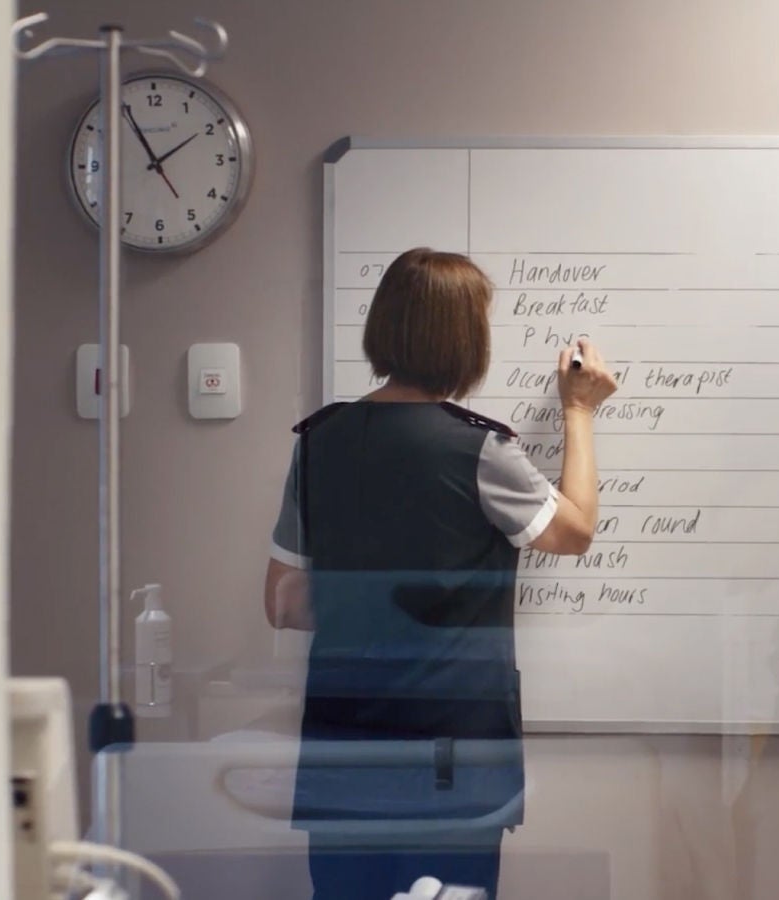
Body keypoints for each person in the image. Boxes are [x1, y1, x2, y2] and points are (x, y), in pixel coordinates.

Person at [263, 247, 617, 900]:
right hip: (449, 764)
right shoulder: (479, 448)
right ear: (465, 342)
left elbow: (284, 604)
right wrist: (579, 411)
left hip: (343, 758)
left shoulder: (317, 443)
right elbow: (574, 532)